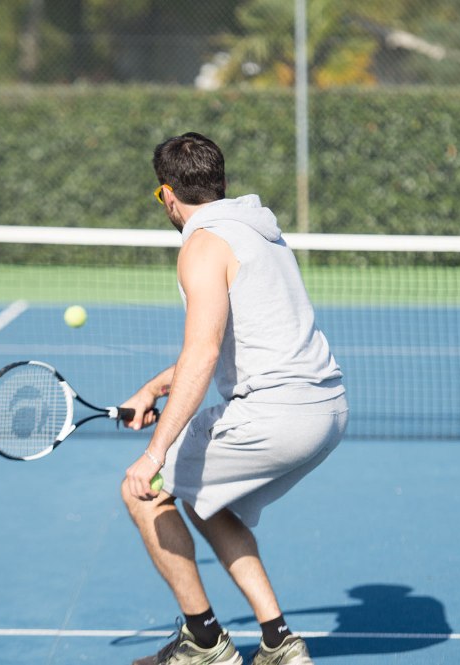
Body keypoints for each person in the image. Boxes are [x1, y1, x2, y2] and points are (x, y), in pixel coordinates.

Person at [120, 132, 348, 665]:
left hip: (275, 414)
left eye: (161, 198)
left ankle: (204, 643)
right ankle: (278, 642)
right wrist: (153, 389)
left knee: (144, 492)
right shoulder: (260, 232)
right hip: (327, 409)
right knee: (203, 494)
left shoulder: (202, 246)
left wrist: (154, 454)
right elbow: (232, 342)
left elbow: (201, 355)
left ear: (168, 195)